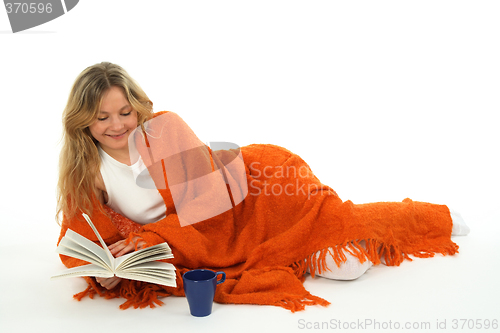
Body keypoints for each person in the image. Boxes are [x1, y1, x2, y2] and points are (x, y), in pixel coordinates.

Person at [56, 62, 469, 310]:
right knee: (345, 270)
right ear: (83, 121)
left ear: (138, 107)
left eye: (125, 112)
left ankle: (434, 219)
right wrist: (104, 276)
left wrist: (151, 239)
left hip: (252, 194)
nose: (116, 126)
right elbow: (81, 242)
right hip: (190, 238)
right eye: (101, 117)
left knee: (346, 254)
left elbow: (212, 202)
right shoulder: (86, 168)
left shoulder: (164, 130)